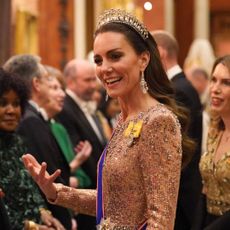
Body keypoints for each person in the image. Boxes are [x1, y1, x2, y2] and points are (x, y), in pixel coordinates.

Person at [22, 8, 194, 229]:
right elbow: (115, 203)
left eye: (115, 56)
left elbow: (160, 221)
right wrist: (56, 192)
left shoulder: (159, 121)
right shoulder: (126, 119)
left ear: (143, 59)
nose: (105, 69)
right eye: (98, 60)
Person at [3, 54, 73, 229]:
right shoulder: (30, 123)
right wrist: (32, 226)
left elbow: (30, 187)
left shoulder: (16, 141)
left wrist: (44, 213)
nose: (11, 110)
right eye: (3, 104)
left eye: (16, 104)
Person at [151, 30, 203, 229]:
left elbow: (178, 148)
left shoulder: (178, 89)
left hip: (181, 191)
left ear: (160, 52)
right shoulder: (178, 85)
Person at [56, 58, 108, 229]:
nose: (94, 85)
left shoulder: (87, 105)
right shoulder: (65, 109)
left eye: (94, 79)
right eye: (88, 80)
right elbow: (77, 151)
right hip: (86, 193)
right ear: (70, 81)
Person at [192, 55, 230, 230]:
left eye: (225, 83)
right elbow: (205, 190)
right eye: (213, 80)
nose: (215, 89)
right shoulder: (214, 131)